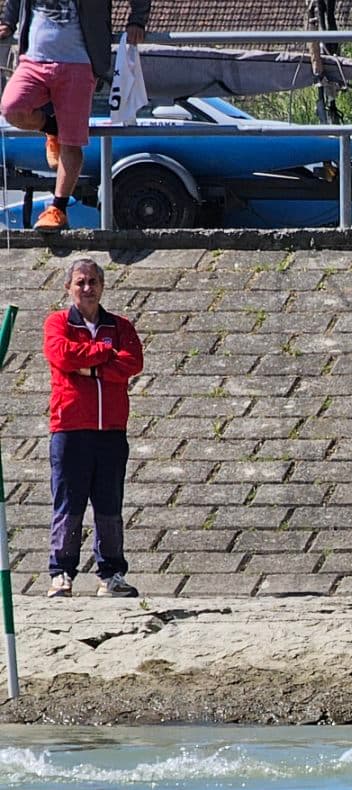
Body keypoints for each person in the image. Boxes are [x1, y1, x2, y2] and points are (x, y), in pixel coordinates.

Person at [0, 0, 149, 233]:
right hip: (33, 60)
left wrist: (137, 20)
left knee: (71, 143)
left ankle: (57, 209)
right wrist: (8, 22)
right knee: (12, 107)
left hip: (79, 64)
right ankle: (52, 128)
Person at [43, 258, 143, 598]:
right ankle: (61, 573)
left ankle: (111, 574)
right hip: (70, 429)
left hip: (112, 431)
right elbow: (62, 355)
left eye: (93, 282)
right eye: (81, 282)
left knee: (109, 505)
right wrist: (102, 352)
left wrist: (92, 369)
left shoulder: (121, 326)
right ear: (69, 287)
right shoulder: (57, 322)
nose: (87, 289)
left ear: (102, 286)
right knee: (69, 505)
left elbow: (132, 362)